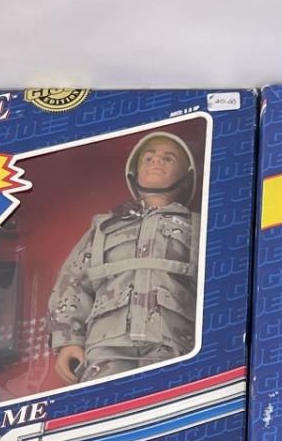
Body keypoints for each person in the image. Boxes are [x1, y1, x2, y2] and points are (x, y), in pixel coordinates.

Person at [47, 129, 201, 383]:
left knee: (164, 396)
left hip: (170, 338)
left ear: (186, 177)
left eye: (168, 158)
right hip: (106, 341)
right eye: (148, 158)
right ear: (134, 174)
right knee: (103, 399)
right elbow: (72, 280)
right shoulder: (105, 227)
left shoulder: (197, 227)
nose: (156, 162)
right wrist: (68, 339)